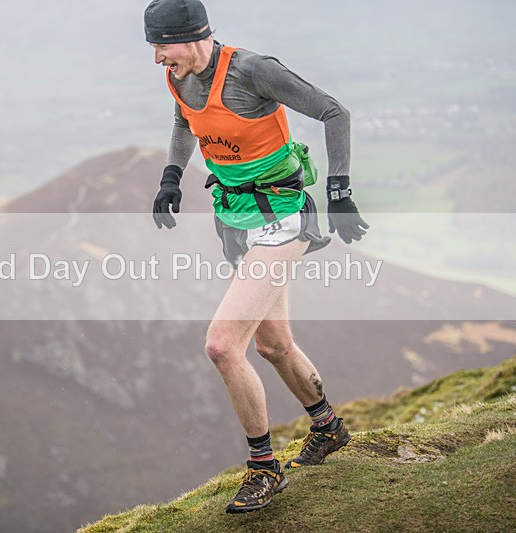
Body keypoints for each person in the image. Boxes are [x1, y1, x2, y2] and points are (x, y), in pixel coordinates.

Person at [144, 0, 369, 514]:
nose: (158, 58)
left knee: (223, 346)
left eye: (162, 47)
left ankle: (264, 468)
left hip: (283, 216)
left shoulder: (253, 71)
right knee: (273, 345)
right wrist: (171, 177)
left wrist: (339, 191)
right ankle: (328, 428)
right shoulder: (180, 77)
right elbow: (184, 122)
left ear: (192, 35)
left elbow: (334, 112)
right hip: (235, 219)